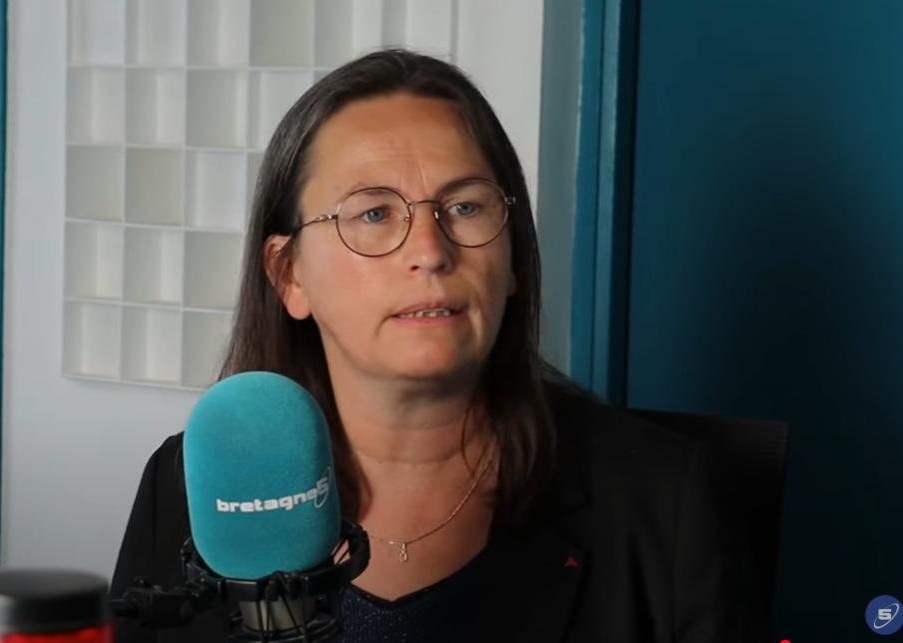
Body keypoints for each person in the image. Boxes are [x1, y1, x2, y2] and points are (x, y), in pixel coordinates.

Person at [109, 49, 750, 642]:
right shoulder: (188, 484)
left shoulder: (663, 497)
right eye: (374, 213)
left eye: (465, 207)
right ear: (289, 275)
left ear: (514, 260)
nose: (430, 251)